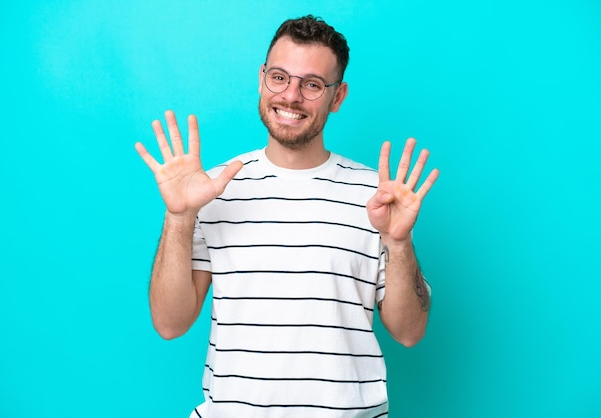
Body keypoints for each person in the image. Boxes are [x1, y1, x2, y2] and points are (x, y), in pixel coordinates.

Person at [135, 15, 439, 418]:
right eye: (279, 77)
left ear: (338, 96)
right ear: (262, 78)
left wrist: (399, 243)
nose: (291, 96)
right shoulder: (210, 190)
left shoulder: (378, 197)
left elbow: (410, 332)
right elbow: (170, 324)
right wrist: (178, 216)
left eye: (312, 84)